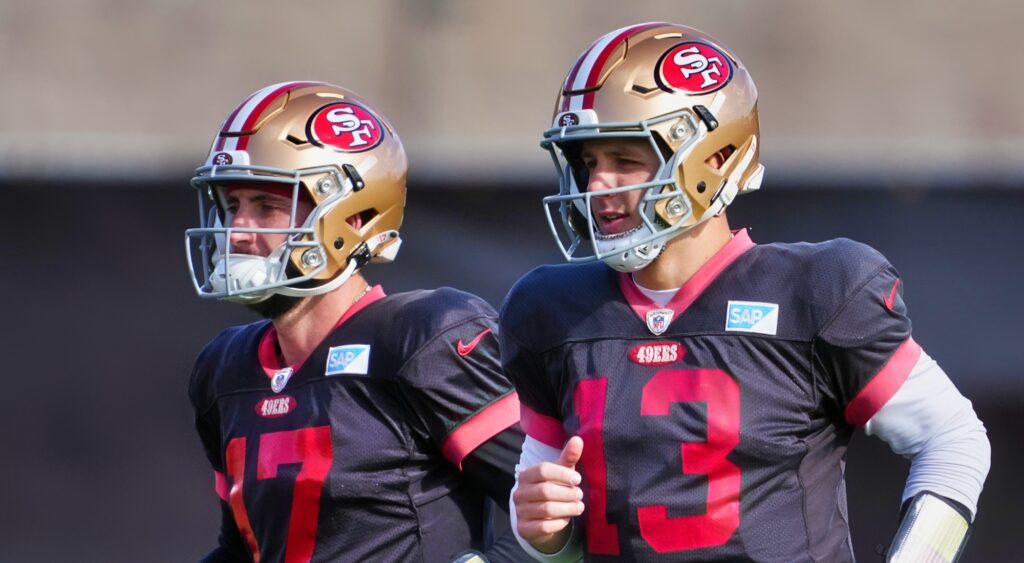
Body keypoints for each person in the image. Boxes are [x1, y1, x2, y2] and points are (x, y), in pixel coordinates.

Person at [500, 23, 990, 562]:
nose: (597, 185)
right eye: (589, 162)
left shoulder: (815, 291)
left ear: (713, 156)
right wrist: (543, 533)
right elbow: (555, 533)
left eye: (626, 160)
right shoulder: (551, 311)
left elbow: (954, 439)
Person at [185, 81, 525, 562]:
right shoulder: (225, 369)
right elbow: (241, 549)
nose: (237, 232)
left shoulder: (421, 338)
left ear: (356, 217)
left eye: (267, 207)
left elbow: (557, 510)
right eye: (232, 206)